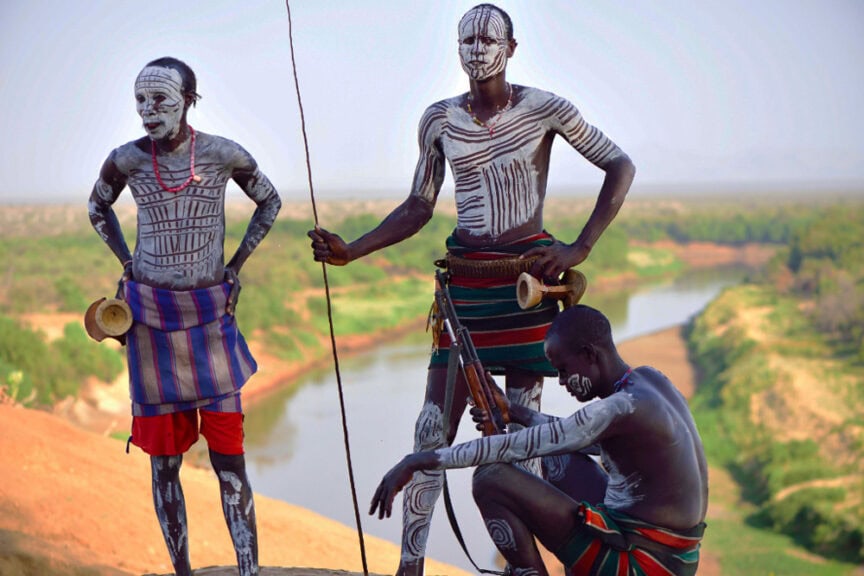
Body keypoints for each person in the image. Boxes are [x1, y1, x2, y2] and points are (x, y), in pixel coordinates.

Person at [309, 4, 635, 574]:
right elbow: (418, 206)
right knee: (433, 428)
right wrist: (351, 250)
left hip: (529, 289)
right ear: (455, 48)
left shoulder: (545, 108)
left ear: (512, 47)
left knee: (521, 438)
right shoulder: (438, 121)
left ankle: (521, 566)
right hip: (464, 294)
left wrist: (579, 248)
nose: (477, 47)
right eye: (466, 38)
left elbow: (620, 165)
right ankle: (409, 565)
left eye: (489, 38)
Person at [87, 56, 282, 576]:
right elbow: (96, 208)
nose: (147, 111)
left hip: (210, 322)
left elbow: (270, 201)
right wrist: (128, 262)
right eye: (140, 101)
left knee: (230, 462)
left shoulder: (221, 154)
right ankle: (182, 572)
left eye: (160, 101)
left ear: (188, 102)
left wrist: (235, 264)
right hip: (149, 321)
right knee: (164, 463)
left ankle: (248, 571)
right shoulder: (126, 160)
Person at [370, 304, 708, 576]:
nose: (562, 382)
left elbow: (517, 445)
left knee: (490, 477)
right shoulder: (648, 380)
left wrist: (420, 460)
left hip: (641, 564)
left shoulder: (621, 408)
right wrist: (513, 412)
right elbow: (580, 439)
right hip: (665, 553)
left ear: (590, 354)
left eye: (563, 369)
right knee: (555, 459)